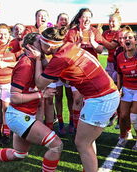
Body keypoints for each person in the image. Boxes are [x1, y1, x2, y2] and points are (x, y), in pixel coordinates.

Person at [27, 26, 120, 172]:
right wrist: (43, 58)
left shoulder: (61, 58)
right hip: (103, 95)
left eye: (40, 42)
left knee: (82, 143)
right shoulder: (68, 47)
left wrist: (38, 58)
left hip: (101, 98)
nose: (38, 45)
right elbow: (53, 68)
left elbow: (40, 83)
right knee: (87, 141)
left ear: (49, 45)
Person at [0, 32, 62, 172]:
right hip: (19, 116)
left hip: (23, 115)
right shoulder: (26, 65)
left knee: (19, 154)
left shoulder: (35, 61)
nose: (44, 45)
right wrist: (41, 94)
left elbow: (54, 77)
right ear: (30, 47)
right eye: (40, 42)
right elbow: (14, 97)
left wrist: (42, 57)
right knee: (56, 145)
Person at [64, 8, 104, 132]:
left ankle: (89, 126)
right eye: (84, 17)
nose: (87, 19)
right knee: (77, 99)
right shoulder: (72, 32)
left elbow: (100, 50)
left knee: (91, 101)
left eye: (89, 17)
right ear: (79, 18)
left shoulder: (95, 31)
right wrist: (80, 43)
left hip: (91, 72)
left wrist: (92, 42)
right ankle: (77, 127)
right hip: (76, 71)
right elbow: (69, 51)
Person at [0, 23, 21, 145]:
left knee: (6, 108)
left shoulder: (14, 45)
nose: (2, 36)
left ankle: (6, 132)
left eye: (5, 33)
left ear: (9, 34)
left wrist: (7, 64)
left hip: (8, 82)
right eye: (0, 33)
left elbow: (21, 62)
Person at [54, 13, 74, 135]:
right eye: (61, 19)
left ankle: (71, 122)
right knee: (58, 96)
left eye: (66, 19)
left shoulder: (70, 34)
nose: (63, 21)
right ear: (57, 22)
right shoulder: (54, 33)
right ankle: (61, 123)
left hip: (68, 70)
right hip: (56, 70)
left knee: (70, 96)